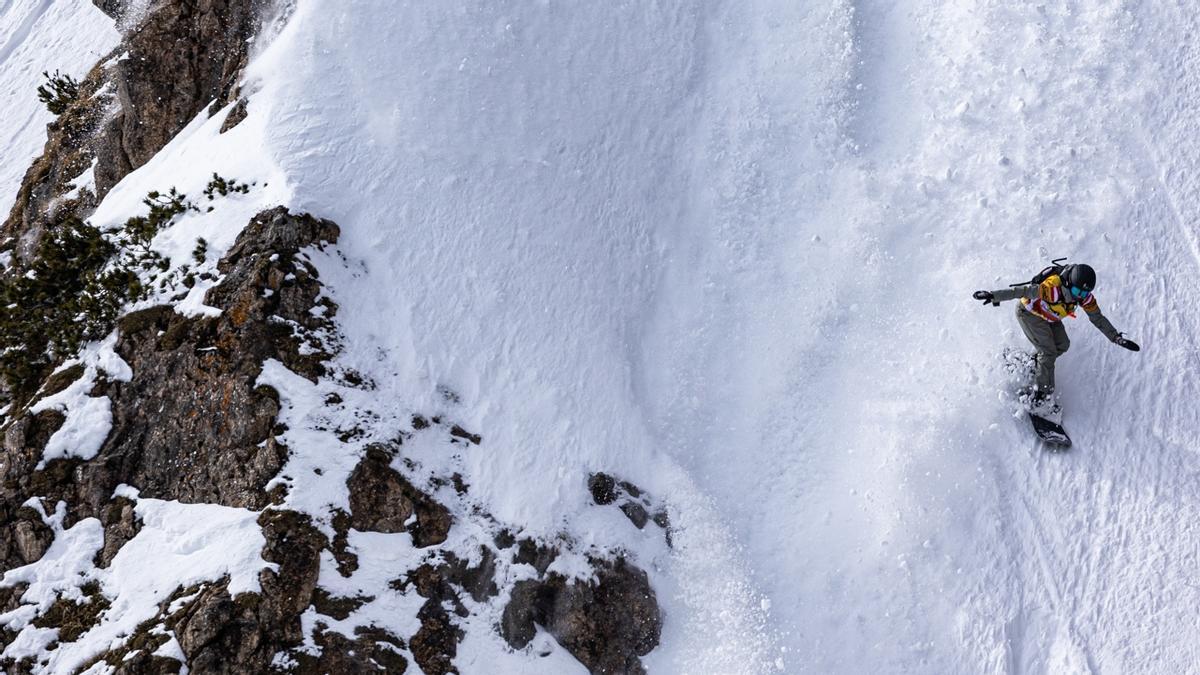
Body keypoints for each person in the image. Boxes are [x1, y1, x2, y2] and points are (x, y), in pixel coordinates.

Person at [973, 263, 1139, 404]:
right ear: (1068, 283)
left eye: (1084, 293)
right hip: (1029, 313)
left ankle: (1035, 366)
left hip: (1049, 316)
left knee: (1063, 345)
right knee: (1048, 352)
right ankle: (1041, 397)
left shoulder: (1084, 298)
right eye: (1077, 292)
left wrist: (1115, 337)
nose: (1079, 297)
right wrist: (994, 296)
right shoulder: (1052, 289)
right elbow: (1022, 291)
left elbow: (1097, 318)